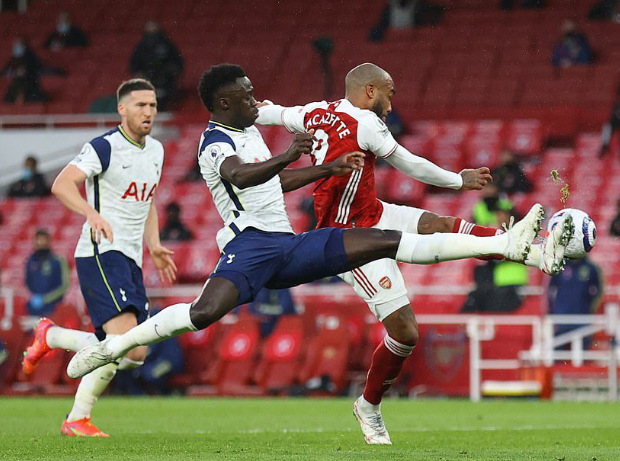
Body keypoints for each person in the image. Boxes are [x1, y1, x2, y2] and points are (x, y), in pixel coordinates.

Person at [66, 64, 572, 443]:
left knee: (399, 237)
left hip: (296, 241)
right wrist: (294, 153)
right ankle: (111, 347)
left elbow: (277, 174)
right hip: (252, 247)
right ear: (224, 103)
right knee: (204, 312)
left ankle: (517, 247)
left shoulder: (254, 129)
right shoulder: (214, 141)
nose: (255, 99)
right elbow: (241, 176)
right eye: (246, 95)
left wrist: (323, 169)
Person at [256, 63, 563, 443]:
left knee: (441, 223)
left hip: (374, 213)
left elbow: (276, 112)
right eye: (389, 94)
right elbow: (408, 163)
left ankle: (532, 252)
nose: (391, 103)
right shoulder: (365, 122)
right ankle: (368, 406)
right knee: (405, 332)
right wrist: (458, 180)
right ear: (370, 91)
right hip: (348, 240)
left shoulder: (315, 111)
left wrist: (251, 111)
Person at [22, 78, 177, 437]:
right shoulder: (104, 147)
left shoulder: (156, 150)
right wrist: (91, 214)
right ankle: (76, 416)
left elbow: (148, 200)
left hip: (131, 258)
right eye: (140, 105)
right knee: (122, 343)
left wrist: (154, 245)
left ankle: (51, 338)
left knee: (134, 353)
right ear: (122, 109)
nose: (148, 112)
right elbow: (62, 184)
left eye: (153, 105)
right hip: (101, 252)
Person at [548, 256, 604, 349]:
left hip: (582, 317)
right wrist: (552, 311)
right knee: (558, 351)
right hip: (561, 318)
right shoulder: (559, 266)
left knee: (582, 351)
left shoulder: (591, 268)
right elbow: (550, 290)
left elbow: (599, 291)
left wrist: (589, 308)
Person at [129, 20, 183, 111]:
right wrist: (140, 74)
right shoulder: (141, 47)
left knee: (165, 104)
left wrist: (170, 70)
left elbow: (178, 62)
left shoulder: (167, 45)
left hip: (166, 82)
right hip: (147, 81)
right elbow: (134, 65)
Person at [25, 229, 70, 317]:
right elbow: (27, 281)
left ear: (48, 241)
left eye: (43, 239)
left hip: (54, 307)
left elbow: (64, 285)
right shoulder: (30, 261)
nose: (40, 242)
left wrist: (46, 299)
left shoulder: (58, 260)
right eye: (38, 240)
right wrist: (33, 297)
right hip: (35, 308)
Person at [1, 37, 49, 103]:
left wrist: (25, 72)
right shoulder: (13, 59)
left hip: (29, 84)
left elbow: (35, 69)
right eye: (15, 46)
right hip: (18, 85)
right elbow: (5, 70)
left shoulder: (30, 58)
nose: (16, 48)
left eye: (19, 45)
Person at [599, 84, 620, 158]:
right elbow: (612, 118)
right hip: (615, 123)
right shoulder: (616, 105)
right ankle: (605, 146)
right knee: (607, 127)